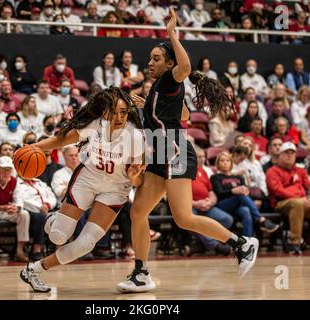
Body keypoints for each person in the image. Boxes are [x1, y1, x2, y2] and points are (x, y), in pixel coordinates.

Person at [116, 9, 259, 294]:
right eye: (151, 58)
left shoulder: (171, 78)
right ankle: (141, 272)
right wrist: (143, 103)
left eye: (157, 58)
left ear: (169, 63)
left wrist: (171, 33)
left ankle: (242, 244)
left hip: (175, 151)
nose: (150, 63)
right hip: (160, 152)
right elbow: (179, 114)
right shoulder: (159, 88)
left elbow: (184, 66)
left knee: (183, 217)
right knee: (138, 212)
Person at [20, 86, 145, 292]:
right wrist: (34, 148)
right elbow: (61, 140)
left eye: (123, 112)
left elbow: (138, 182)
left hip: (115, 188)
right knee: (58, 236)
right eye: (114, 112)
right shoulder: (95, 125)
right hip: (88, 179)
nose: (119, 117)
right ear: (104, 112)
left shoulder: (136, 137)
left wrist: (134, 177)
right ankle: (54, 219)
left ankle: (33, 270)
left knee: (85, 244)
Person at [266, 142, 310, 254]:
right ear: (279, 155)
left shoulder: (301, 171)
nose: (290, 155)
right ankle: (295, 243)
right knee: (298, 203)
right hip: (281, 203)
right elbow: (277, 191)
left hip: (303, 202)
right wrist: (300, 198)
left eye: (292, 153)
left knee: (299, 203)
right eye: (286, 153)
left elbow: (308, 186)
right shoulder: (272, 171)